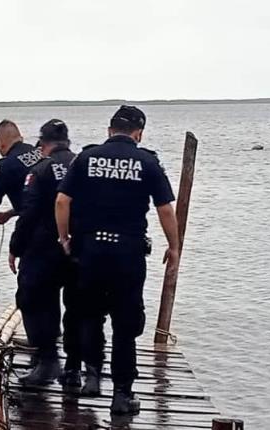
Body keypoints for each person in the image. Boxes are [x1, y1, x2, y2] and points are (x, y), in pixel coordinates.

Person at [54, 105, 180, 415]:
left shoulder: (86, 158)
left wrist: (64, 237)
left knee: (90, 315)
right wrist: (174, 246)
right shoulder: (148, 162)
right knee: (126, 325)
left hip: (90, 251)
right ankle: (122, 395)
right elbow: (165, 209)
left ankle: (93, 377)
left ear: (110, 130)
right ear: (139, 133)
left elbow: (61, 200)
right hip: (128, 254)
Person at [8, 119, 77, 386]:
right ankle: (75, 369)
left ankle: (47, 361)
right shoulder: (81, 164)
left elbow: (30, 213)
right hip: (77, 246)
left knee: (32, 300)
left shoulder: (41, 170)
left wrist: (15, 247)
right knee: (76, 306)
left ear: (43, 144)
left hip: (44, 248)